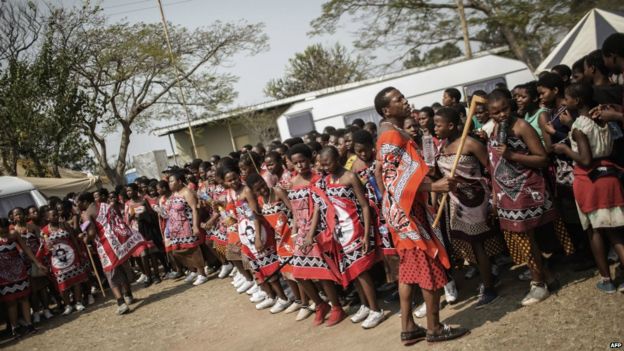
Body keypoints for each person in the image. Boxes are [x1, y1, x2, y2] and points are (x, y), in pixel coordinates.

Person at [373, 86, 467, 344]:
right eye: (398, 100)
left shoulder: (392, 133)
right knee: (427, 265)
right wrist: (434, 187)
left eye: (403, 97)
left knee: (409, 270)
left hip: (402, 210)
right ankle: (434, 328)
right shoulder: (391, 136)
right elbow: (394, 182)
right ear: (386, 110)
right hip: (407, 211)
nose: (405, 101)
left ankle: (408, 327)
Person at [487, 88, 559, 306]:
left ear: (511, 105)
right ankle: (546, 277)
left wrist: (513, 155)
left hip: (525, 190)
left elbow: (542, 159)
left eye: (504, 109)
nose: (501, 115)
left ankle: (538, 285)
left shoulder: (522, 126)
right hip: (506, 192)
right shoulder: (496, 129)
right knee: (521, 239)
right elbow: (494, 162)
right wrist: (495, 193)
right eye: (495, 112)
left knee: (526, 238)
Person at [552, 83, 624, 293]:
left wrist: (564, 148)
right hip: (609, 176)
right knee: (615, 232)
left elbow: (584, 158)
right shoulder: (601, 120)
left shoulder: (579, 126)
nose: (564, 102)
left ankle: (606, 279)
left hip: (589, 180)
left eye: (567, 98)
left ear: (578, 101)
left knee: (595, 231)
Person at [433, 107, 503, 308]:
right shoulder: (441, 147)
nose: (435, 128)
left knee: (477, 243)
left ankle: (489, 287)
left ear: (452, 125)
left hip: (475, 200)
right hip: (455, 203)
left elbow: (491, 170)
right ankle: (488, 277)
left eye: (438, 124)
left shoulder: (470, 143)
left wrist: (495, 200)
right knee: (467, 245)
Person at [319, 146, 384, 329]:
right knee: (353, 272)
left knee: (362, 272)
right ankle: (365, 305)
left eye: (328, 163)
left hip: (355, 229)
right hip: (341, 233)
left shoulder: (350, 177)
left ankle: (376, 309)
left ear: (337, 159)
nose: (325, 167)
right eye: (323, 164)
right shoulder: (328, 179)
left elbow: (364, 206)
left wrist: (365, 234)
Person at [286, 143, 346, 327]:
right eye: (296, 163)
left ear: (310, 160)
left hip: (317, 230)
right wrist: (295, 232)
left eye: (303, 161)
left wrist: (311, 234)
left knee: (321, 273)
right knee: (298, 273)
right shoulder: (293, 182)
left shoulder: (318, 179)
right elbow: (295, 210)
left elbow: (320, 208)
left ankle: (336, 306)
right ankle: (320, 305)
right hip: (301, 232)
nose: (300, 166)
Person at [221, 166, 291, 312]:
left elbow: (255, 215)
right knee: (256, 267)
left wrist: (258, 237)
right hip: (246, 233)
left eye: (235, 177)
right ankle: (273, 295)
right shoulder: (235, 193)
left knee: (268, 267)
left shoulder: (247, 191)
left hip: (256, 232)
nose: (233, 181)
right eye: (230, 180)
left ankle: (283, 298)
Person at [246, 173, 308, 315]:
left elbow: (294, 211)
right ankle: (298, 300)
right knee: (286, 271)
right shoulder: (261, 201)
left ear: (264, 181)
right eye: (258, 190)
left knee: (297, 270)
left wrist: (295, 232)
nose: (262, 190)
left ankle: (305, 303)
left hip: (291, 233)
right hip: (280, 238)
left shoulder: (278, 191)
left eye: (262, 186)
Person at [78, 192, 145, 315]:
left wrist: (85, 238)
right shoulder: (105, 205)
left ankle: (121, 303)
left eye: (78, 202)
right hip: (119, 241)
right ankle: (128, 295)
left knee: (111, 273)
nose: (77, 205)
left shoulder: (87, 214)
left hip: (106, 245)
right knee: (123, 268)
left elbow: (92, 233)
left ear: (84, 202)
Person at [0, 218, 46, 336]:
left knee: (24, 298)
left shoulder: (14, 234)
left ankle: (29, 325)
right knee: (11, 302)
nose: (4, 234)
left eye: (5, 231)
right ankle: (15, 328)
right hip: (3, 275)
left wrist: (37, 263)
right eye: (1, 232)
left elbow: (26, 249)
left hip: (19, 271)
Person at [40, 209, 88, 315]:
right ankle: (67, 305)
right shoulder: (44, 231)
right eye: (53, 215)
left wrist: (79, 252)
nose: (56, 216)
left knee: (76, 280)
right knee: (62, 283)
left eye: (57, 214)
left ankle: (78, 302)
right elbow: (44, 248)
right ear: (47, 218)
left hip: (71, 256)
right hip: (57, 261)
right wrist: (47, 246)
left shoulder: (65, 225)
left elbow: (73, 239)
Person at [165, 172, 209, 286]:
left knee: (193, 250)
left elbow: (194, 210)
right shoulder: (174, 194)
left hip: (187, 226)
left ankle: (201, 273)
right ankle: (193, 270)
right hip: (176, 229)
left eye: (172, 181)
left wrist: (195, 226)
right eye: (169, 181)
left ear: (179, 181)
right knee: (177, 252)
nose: (169, 183)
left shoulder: (187, 192)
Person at [11, 207, 51, 325]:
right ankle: (37, 312)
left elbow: (42, 242)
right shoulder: (13, 231)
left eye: (20, 214)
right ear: (13, 217)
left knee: (43, 287)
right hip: (24, 263)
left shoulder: (32, 227)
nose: (19, 216)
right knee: (32, 290)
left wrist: (40, 257)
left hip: (37, 259)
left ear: (24, 215)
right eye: (16, 215)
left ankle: (47, 309)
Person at [125, 183, 162, 286]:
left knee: (152, 253)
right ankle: (148, 276)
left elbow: (151, 213)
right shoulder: (127, 204)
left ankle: (156, 275)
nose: (128, 192)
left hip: (147, 228)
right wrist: (132, 214)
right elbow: (127, 220)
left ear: (136, 190)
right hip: (136, 231)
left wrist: (144, 212)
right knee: (143, 254)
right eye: (127, 191)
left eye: (130, 190)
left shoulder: (144, 200)